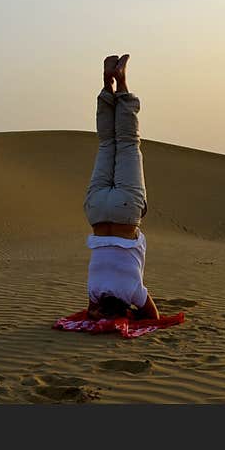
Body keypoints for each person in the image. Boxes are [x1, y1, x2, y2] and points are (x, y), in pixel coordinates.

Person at [83, 54, 160, 321]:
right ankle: (107, 86)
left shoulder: (132, 293)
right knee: (106, 143)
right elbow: (93, 310)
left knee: (127, 142)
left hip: (125, 211)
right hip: (96, 211)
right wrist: (97, 311)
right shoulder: (94, 291)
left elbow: (153, 317)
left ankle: (122, 81)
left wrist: (133, 315)